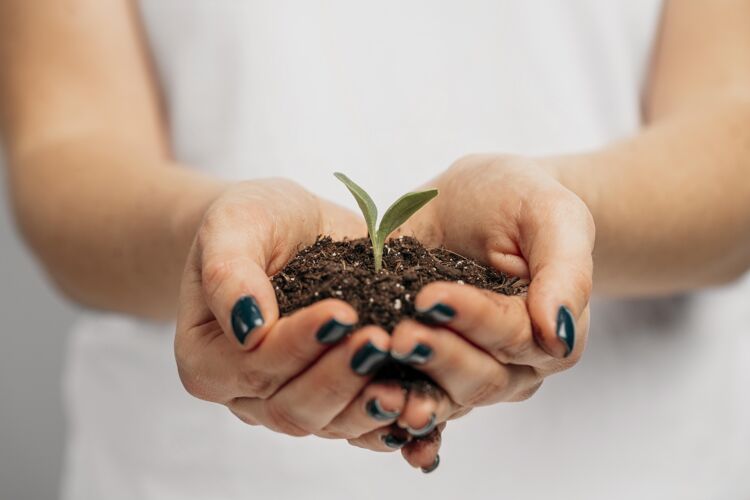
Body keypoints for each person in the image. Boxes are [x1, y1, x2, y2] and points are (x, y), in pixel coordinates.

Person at [1, 1, 749, 499]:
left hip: (638, 467)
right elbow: (66, 153)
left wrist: (562, 217)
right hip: (193, 473)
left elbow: (733, 140)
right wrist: (216, 244)